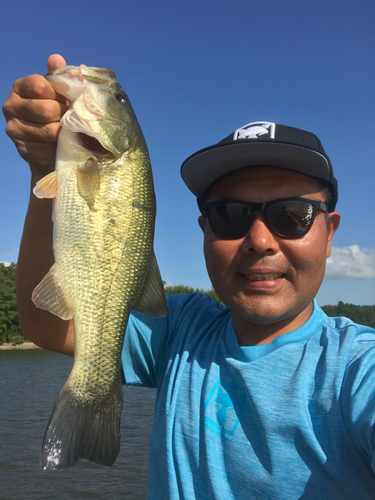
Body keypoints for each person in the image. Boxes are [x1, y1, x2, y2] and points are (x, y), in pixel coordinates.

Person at [3, 54, 375, 500]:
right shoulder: (182, 331)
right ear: (204, 231)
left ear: (329, 232)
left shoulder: (357, 369)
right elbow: (45, 324)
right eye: (230, 215)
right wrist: (46, 170)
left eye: (291, 216)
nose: (259, 240)